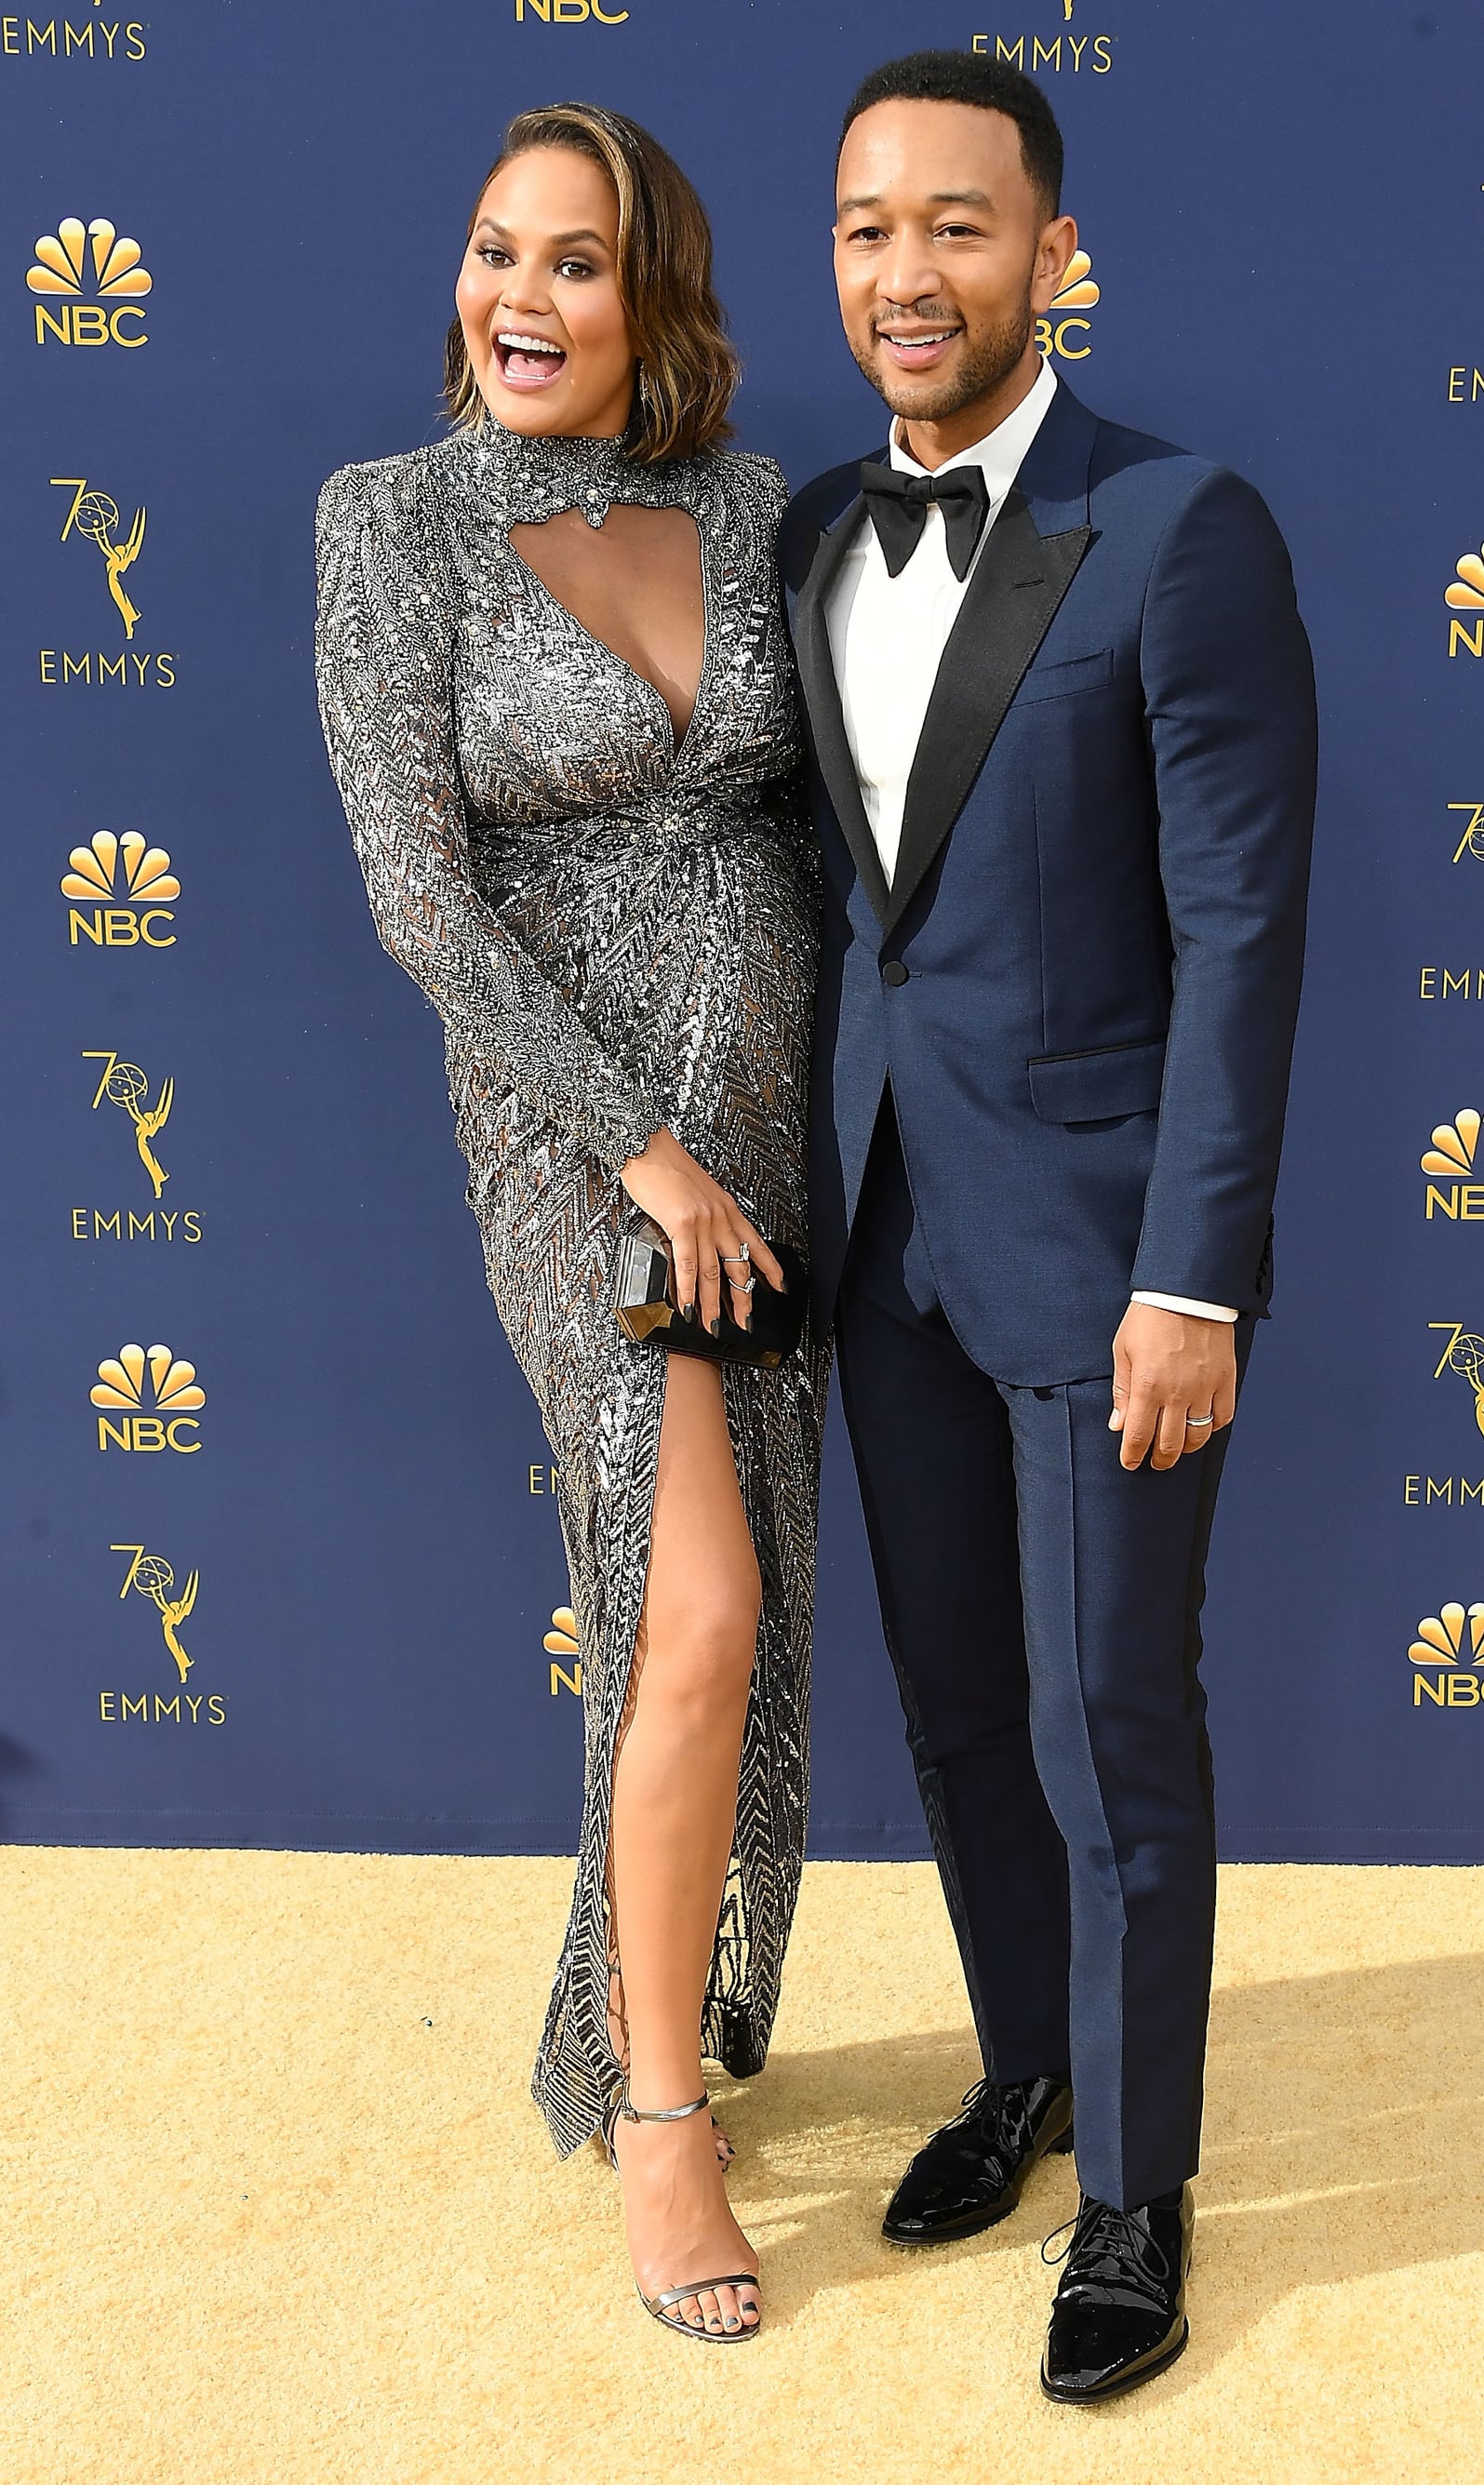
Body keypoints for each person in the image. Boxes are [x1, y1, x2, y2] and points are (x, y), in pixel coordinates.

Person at [782, 51, 1316, 2401]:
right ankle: (1027, 2068)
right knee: (961, 1717)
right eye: (868, 227)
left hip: (1105, 1252)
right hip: (883, 1234)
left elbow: (1243, 931)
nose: (909, 272)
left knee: (1112, 1726)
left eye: (957, 226)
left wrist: (1192, 1272)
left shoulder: (1178, 523)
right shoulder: (807, 532)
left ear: (1048, 252)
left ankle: (1135, 2194)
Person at [315, 101, 821, 2345]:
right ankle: (656, 2117)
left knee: (723, 1605)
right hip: (578, 1138)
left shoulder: (748, 502)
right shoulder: (388, 524)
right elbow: (418, 890)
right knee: (690, 1595)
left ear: (655, 302)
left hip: (775, 1115)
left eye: (578, 262)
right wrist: (644, 1148)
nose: (520, 297)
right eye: (493, 251)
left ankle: (627, 2009)